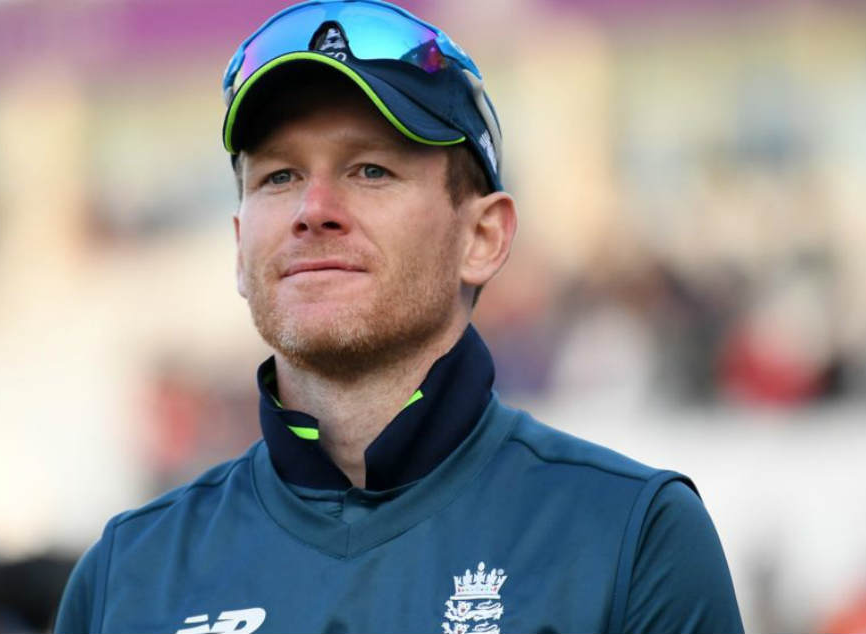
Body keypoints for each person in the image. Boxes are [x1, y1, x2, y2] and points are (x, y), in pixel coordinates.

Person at [55, 1, 743, 632]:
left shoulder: (629, 537)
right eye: (279, 176)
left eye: (370, 170)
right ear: (240, 247)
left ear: (483, 237)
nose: (313, 210)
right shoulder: (125, 577)